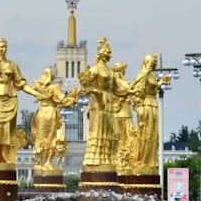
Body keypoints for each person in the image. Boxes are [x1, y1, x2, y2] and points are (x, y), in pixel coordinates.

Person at [78, 37, 130, 167]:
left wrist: (133, 89)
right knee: (99, 130)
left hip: (109, 102)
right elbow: (85, 87)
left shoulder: (110, 71)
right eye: (108, 52)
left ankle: (108, 158)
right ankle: (95, 160)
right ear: (101, 54)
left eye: (110, 52)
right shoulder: (95, 69)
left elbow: (118, 88)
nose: (110, 55)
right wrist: (96, 91)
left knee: (112, 131)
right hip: (98, 103)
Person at [28, 67, 78, 170]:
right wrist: (73, 99)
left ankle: (38, 162)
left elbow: (31, 89)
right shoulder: (54, 87)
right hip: (50, 113)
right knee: (51, 137)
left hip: (40, 112)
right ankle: (47, 162)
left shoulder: (38, 86)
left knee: (40, 137)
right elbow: (62, 100)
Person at [130, 53, 170, 171]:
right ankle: (142, 160)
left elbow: (152, 88)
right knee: (146, 134)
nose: (154, 65)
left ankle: (150, 161)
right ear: (147, 63)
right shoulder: (142, 75)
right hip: (146, 105)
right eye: (153, 63)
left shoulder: (151, 75)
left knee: (153, 134)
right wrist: (138, 107)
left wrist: (161, 82)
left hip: (152, 104)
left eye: (155, 63)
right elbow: (137, 91)